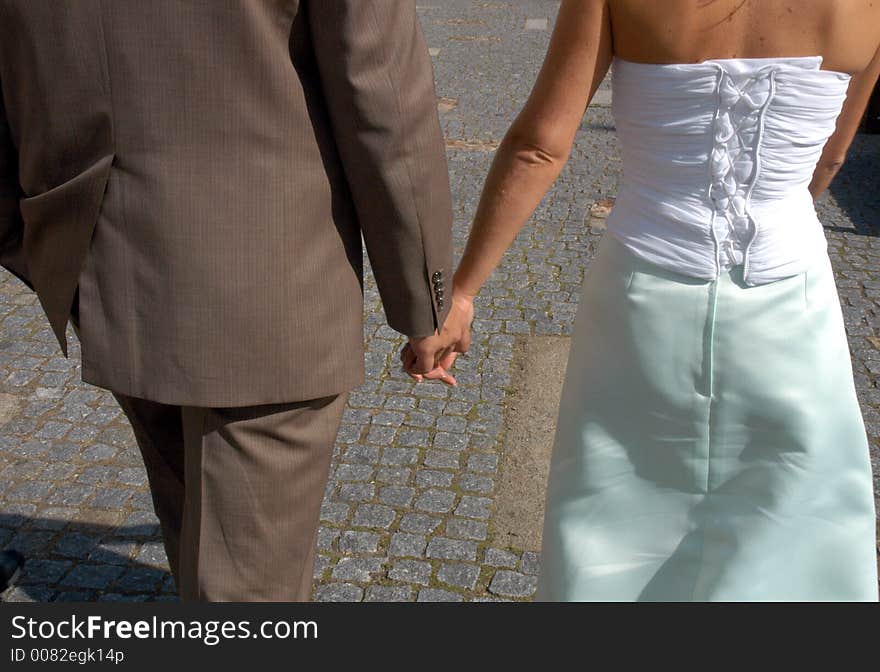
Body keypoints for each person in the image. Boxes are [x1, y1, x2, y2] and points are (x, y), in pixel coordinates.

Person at [408, 0, 880, 600]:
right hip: (791, 288)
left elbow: (540, 146)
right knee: (797, 512)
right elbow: (831, 157)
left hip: (646, 287)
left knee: (613, 512)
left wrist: (464, 293)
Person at [0, 1, 453, 601]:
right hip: (270, 277)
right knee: (247, 587)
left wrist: (32, 228)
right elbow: (382, 90)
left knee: (192, 517)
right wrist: (426, 305)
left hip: (101, 243)